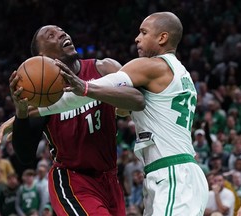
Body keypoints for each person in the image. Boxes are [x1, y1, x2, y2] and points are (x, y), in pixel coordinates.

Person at [37, 12, 209, 215]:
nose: (137, 38)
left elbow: (95, 89)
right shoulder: (182, 73)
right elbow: (124, 106)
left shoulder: (151, 66)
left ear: (162, 38)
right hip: (176, 173)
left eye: (143, 32)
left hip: (172, 174)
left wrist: (34, 110)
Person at [0, 25, 145, 215]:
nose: (62, 34)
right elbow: (25, 155)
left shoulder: (105, 68)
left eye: (61, 31)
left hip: (110, 178)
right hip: (72, 181)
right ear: (42, 55)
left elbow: (137, 100)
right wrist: (21, 113)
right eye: (52, 35)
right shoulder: (41, 93)